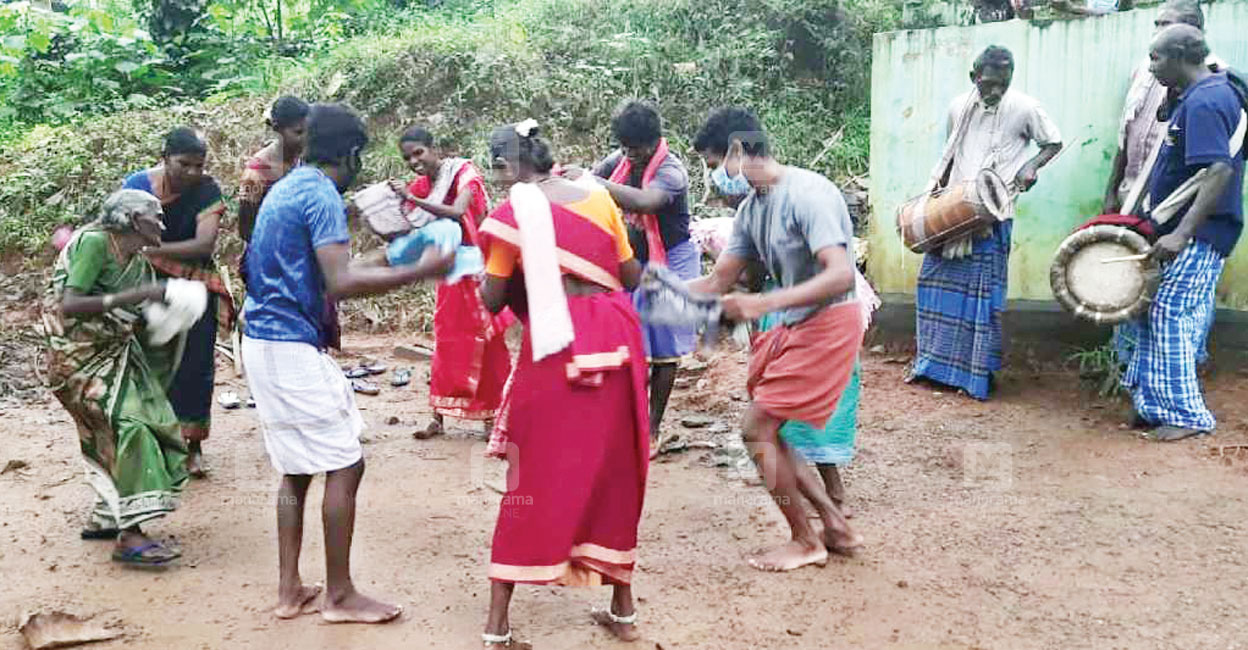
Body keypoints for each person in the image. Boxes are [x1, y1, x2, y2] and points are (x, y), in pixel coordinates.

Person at [242, 103, 453, 622]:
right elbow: (341, 282)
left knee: (294, 469)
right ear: (353, 153)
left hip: (264, 337)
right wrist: (420, 269)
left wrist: (391, 257)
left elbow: (327, 266)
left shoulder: (292, 185)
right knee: (344, 462)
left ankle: (290, 588)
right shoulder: (320, 196)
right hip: (288, 342)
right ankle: (339, 596)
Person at [477, 121, 649, 646]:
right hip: (617, 341)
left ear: (508, 165)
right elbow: (631, 274)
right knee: (617, 468)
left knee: (533, 474)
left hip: (556, 346)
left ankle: (497, 624)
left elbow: (491, 298)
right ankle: (622, 609)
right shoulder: (598, 196)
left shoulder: (512, 213)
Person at [689, 107, 861, 572]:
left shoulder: (809, 193)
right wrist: (644, 291)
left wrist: (764, 304)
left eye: (713, 164)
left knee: (756, 430)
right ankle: (835, 526)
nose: (714, 178)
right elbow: (716, 281)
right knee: (769, 428)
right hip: (793, 322)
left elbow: (841, 273)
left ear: (739, 151)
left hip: (829, 319)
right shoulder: (751, 209)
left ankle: (806, 540)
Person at [907, 46, 1062, 400]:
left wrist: (1031, 166)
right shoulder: (958, 106)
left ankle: (977, 376)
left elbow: (1053, 142)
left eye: (1002, 85)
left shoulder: (1024, 107)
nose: (995, 91)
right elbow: (950, 153)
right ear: (974, 76)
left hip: (993, 212)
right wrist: (934, 202)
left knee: (984, 297)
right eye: (989, 83)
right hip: (954, 210)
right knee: (933, 284)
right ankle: (933, 367)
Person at [44, 189, 188, 566]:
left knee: (112, 432)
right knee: (132, 427)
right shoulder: (94, 244)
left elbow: (136, 318)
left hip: (113, 354)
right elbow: (70, 304)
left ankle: (108, 516)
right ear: (132, 219)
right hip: (75, 360)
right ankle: (132, 537)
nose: (162, 223)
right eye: (155, 216)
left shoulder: (138, 262)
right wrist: (135, 297)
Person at [1121, 25, 1245, 441]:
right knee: (1152, 313)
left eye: (1156, 57)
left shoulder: (1208, 100)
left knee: (1170, 314)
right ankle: (1154, 405)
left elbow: (1218, 171)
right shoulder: (1196, 97)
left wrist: (1182, 234)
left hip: (1199, 232)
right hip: (1182, 229)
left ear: (1179, 56)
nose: (1151, 66)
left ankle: (1186, 415)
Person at [1103, 1, 1221, 374]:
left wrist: (1186, 228)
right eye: (1156, 24)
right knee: (1130, 280)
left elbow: (1220, 166)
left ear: (1190, 35)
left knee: (1180, 298)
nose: (1155, 31)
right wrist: (1112, 192)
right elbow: (1127, 134)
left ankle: (1185, 366)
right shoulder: (1146, 72)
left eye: (1164, 24)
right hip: (1135, 196)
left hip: (1179, 209)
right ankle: (1127, 365)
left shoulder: (1214, 83)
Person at [578, 100, 695, 449]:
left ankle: (653, 428)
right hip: (631, 262)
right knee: (629, 344)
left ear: (653, 141)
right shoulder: (621, 161)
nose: (631, 155)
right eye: (625, 147)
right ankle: (628, 420)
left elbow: (645, 202)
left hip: (669, 261)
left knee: (664, 349)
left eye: (636, 148)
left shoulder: (671, 172)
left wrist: (593, 183)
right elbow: (591, 185)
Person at [387, 126, 511, 438]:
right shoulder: (420, 186)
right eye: (408, 158)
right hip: (450, 270)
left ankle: (491, 418)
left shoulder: (465, 173)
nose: (415, 161)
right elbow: (410, 225)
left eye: (419, 153)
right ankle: (438, 416)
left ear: (435, 149)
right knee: (448, 340)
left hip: (480, 266)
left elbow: (457, 212)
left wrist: (411, 197)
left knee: (488, 340)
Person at [124, 128, 233, 477]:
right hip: (145, 287)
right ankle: (152, 445)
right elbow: (117, 233)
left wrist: (149, 250)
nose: (192, 172)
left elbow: (204, 246)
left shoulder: (207, 190)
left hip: (193, 288)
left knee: (194, 365)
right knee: (148, 365)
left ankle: (193, 446)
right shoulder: (136, 186)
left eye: (198, 165)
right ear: (164, 157)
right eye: (183, 164)